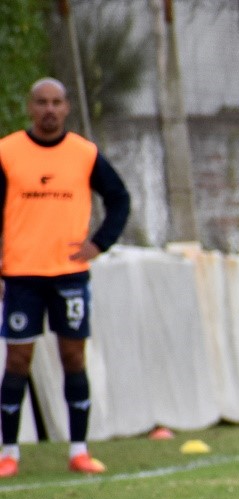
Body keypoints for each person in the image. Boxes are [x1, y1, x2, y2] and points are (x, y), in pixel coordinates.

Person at [0, 78, 129, 478]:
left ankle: (78, 450)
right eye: (42, 102)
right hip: (21, 273)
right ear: (30, 107)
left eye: (57, 102)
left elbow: (120, 199)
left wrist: (98, 244)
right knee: (18, 359)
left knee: (73, 357)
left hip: (69, 274)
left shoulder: (84, 154)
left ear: (68, 107)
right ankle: (9, 453)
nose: (49, 110)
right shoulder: (7, 152)